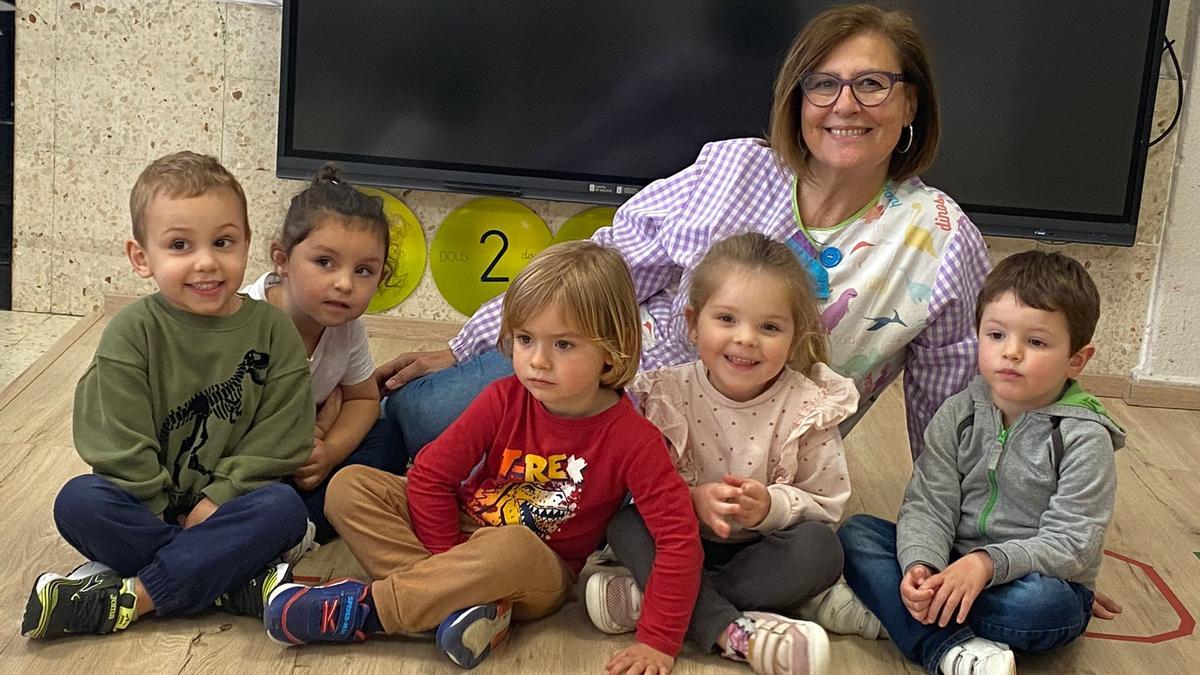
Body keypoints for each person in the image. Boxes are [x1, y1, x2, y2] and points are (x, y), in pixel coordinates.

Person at [377, 3, 988, 464]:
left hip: (740, 459)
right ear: (797, 99)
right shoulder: (734, 167)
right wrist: (471, 346)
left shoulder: (942, 241)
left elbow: (953, 415)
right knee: (420, 412)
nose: (844, 105)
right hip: (598, 379)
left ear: (912, 105)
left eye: (872, 84)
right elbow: (605, 266)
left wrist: (981, 546)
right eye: (823, 83)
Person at [262, 241, 703, 674]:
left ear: (612, 349)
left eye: (563, 345)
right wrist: (447, 560)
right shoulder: (502, 398)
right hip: (463, 531)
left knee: (509, 544)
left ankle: (368, 611)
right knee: (350, 485)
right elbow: (431, 476)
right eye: (526, 339)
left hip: (534, 568)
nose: (537, 361)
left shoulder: (636, 439)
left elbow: (678, 539)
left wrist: (658, 642)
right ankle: (457, 606)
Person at [21, 151, 314, 640]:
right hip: (141, 506)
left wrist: (219, 499)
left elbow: (281, 435)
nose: (206, 262)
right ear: (142, 257)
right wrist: (159, 506)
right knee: (78, 501)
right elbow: (115, 435)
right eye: (180, 245)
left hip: (230, 505)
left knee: (284, 509)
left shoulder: (274, 332)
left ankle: (133, 598)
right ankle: (228, 582)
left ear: (246, 244)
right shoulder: (131, 331)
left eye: (223, 242)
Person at [813, 251, 1123, 674]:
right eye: (996, 335)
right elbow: (929, 504)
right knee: (857, 535)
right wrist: (923, 565)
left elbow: (1071, 544)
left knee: (1043, 609)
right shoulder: (959, 412)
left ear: (1076, 360)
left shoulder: (1085, 438)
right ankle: (945, 635)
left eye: (1035, 342)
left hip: (1029, 581)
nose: (1010, 352)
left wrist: (984, 564)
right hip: (951, 562)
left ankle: (903, 620)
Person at [587, 234, 859, 675]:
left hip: (760, 554)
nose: (746, 339)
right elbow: (634, 487)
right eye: (727, 319)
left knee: (823, 551)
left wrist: (770, 506)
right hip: (677, 543)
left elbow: (826, 504)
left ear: (794, 338)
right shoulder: (665, 394)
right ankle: (727, 628)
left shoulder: (809, 407)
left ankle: (661, 601)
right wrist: (689, 500)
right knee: (625, 523)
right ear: (694, 324)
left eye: (769, 327)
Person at [241, 164, 404, 545]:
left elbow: (363, 397)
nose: (344, 283)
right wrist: (302, 439)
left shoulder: (347, 328)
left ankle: (304, 529)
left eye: (364, 271)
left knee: (389, 437)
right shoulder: (245, 321)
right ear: (281, 258)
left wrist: (329, 451)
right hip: (242, 458)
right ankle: (278, 525)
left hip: (301, 453)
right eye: (325, 263)